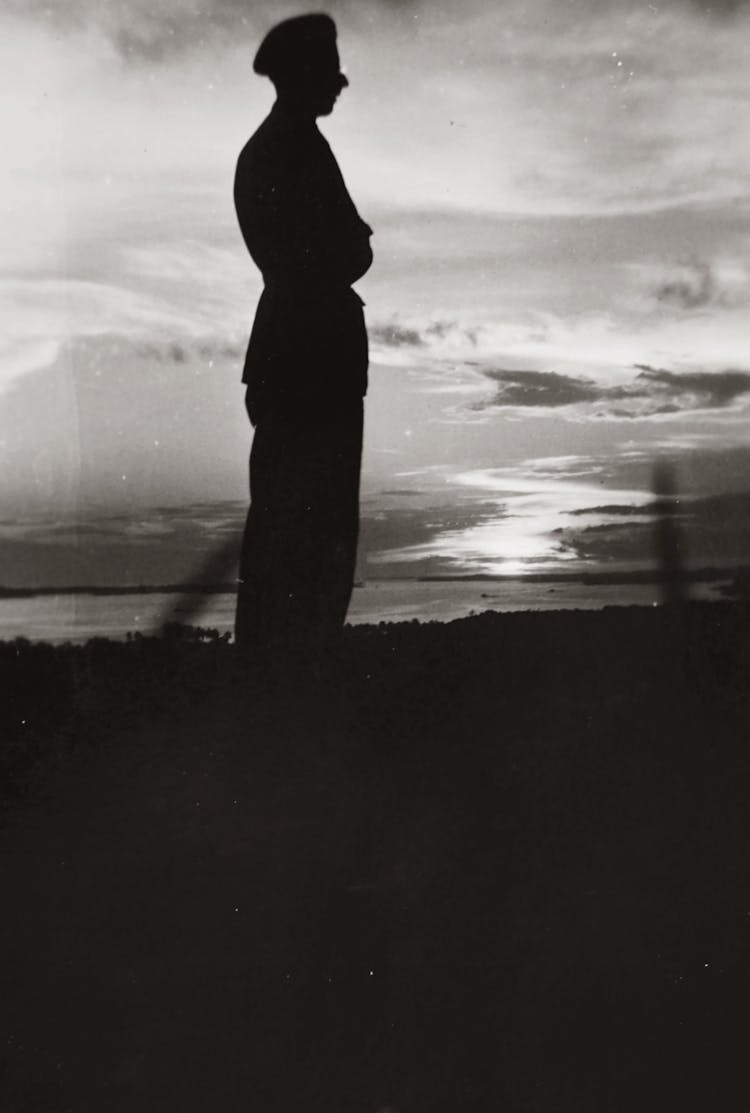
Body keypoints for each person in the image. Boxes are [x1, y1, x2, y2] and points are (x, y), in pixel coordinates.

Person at [233, 13, 373, 672]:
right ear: (302, 73)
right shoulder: (289, 150)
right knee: (306, 524)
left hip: (303, 355)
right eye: (329, 68)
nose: (341, 82)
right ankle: (290, 677)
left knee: (299, 522)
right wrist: (352, 248)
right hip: (309, 358)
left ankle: (288, 668)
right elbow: (341, 250)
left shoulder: (282, 148)